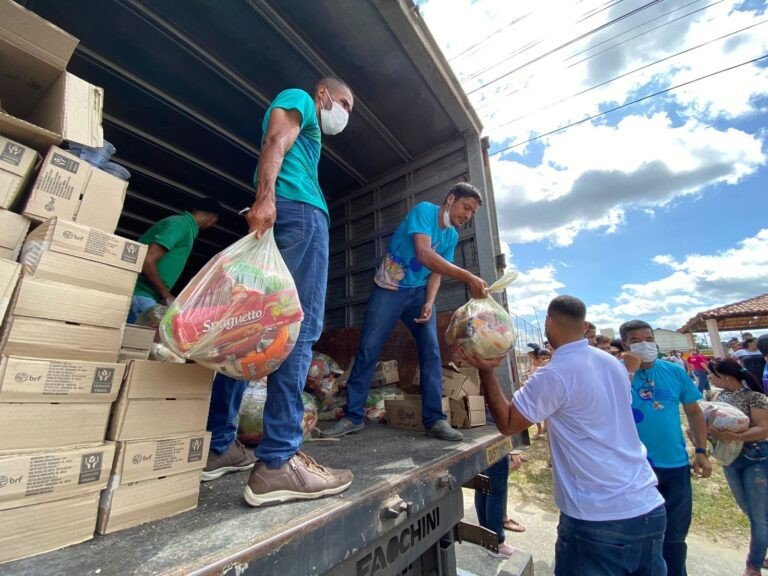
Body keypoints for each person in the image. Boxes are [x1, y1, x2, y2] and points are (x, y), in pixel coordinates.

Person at [203, 78, 356, 507]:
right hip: (300, 217)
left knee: (247, 331)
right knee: (296, 328)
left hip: (285, 215)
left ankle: (219, 445)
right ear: (323, 95)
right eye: (344, 103)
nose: (345, 114)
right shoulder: (301, 99)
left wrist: (269, 202)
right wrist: (266, 198)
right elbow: (274, 137)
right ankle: (277, 461)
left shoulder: (310, 144)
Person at [462, 295, 667, 576]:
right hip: (648, 507)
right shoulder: (610, 363)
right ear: (584, 327)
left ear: (548, 322)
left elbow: (509, 424)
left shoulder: (555, 374)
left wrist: (487, 371)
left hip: (597, 519)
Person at [319, 183, 488, 442]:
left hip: (418, 293)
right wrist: (467, 276)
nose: (467, 215)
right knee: (369, 348)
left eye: (472, 213)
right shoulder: (425, 212)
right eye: (466, 207)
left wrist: (430, 301)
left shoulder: (451, 236)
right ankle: (352, 417)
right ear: (451, 199)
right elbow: (423, 254)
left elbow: (437, 272)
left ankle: (434, 420)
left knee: (431, 350)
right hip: (389, 288)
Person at [621, 320, 712, 576]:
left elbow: (694, 412)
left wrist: (701, 452)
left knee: (674, 538)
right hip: (634, 470)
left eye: (649, 339)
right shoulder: (615, 374)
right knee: (636, 536)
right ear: (626, 344)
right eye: (637, 340)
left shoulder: (674, 371)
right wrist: (628, 371)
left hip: (675, 466)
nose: (646, 345)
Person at [705, 358, 768, 576]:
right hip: (730, 459)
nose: (709, 378)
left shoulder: (755, 398)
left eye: (712, 374)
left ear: (727, 377)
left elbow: (763, 429)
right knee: (751, 511)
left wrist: (733, 436)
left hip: (756, 458)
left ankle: (753, 566)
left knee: (759, 517)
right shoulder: (718, 397)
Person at [127, 199, 221, 323]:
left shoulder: (185, 227)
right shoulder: (181, 225)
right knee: (147, 338)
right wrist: (166, 295)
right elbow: (147, 260)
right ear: (213, 218)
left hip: (147, 295)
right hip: (140, 294)